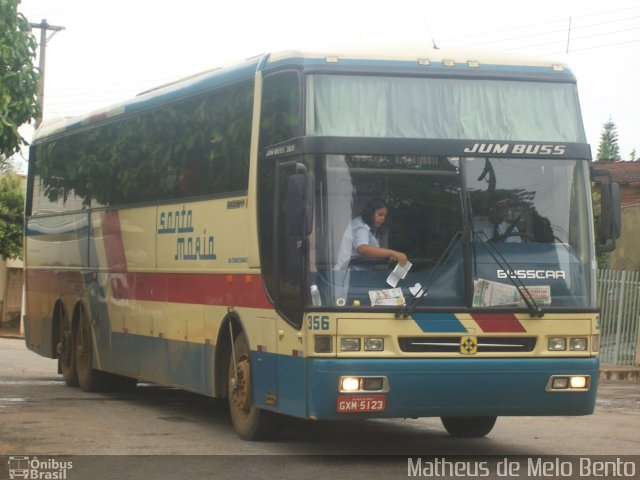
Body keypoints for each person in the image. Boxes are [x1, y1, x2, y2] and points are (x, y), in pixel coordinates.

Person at [335, 198, 408, 270]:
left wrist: (387, 256)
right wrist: (393, 253)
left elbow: (373, 252)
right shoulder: (360, 226)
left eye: (385, 216)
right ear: (370, 213)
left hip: (359, 274)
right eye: (380, 214)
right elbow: (363, 249)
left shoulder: (370, 228)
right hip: (347, 276)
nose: (383, 218)